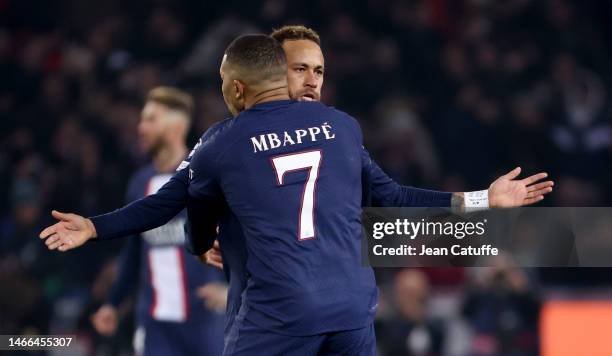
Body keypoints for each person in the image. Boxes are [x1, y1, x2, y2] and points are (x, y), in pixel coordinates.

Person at [39, 26, 553, 338]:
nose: (313, 81)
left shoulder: (328, 133)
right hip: (311, 311)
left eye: (320, 70)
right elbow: (178, 203)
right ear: (268, 74)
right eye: (299, 69)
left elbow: (391, 195)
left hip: (280, 319)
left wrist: (484, 198)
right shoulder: (318, 131)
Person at [89, 87, 226, 356]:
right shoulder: (140, 183)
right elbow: (133, 250)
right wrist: (113, 303)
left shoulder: (207, 175)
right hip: (156, 326)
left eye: (151, 119)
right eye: (142, 119)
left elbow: (241, 235)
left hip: (206, 320)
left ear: (176, 127)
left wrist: (231, 289)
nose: (141, 127)